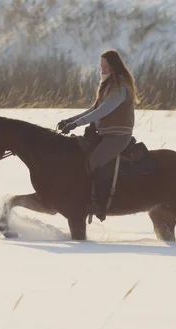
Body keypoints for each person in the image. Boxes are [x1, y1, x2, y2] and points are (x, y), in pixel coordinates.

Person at [57, 49, 140, 221]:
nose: (102, 69)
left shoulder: (120, 87)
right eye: (101, 66)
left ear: (114, 67)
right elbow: (94, 109)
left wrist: (76, 124)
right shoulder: (108, 86)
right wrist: (69, 120)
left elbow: (103, 111)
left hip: (118, 136)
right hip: (105, 134)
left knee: (94, 162)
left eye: (106, 66)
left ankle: (97, 201)